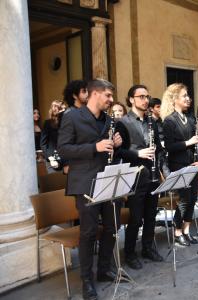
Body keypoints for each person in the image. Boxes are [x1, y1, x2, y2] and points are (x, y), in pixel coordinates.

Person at [58, 79, 122, 300]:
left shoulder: (107, 119)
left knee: (113, 224)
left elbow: (107, 148)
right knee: (88, 231)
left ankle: (104, 269)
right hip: (84, 182)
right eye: (108, 96)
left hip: (107, 179)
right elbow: (63, 149)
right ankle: (87, 280)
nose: (111, 100)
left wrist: (116, 143)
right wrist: (94, 147)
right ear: (94, 94)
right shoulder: (72, 116)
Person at [116, 84, 164, 270]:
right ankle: (129, 253)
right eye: (141, 96)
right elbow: (119, 152)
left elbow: (159, 147)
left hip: (152, 174)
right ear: (131, 99)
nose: (145, 100)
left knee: (151, 215)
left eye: (147, 96)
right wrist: (138, 154)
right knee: (136, 218)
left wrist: (156, 151)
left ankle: (147, 248)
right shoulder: (123, 122)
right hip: (135, 176)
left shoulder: (152, 121)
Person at [161, 83, 198, 246]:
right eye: (184, 95)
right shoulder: (169, 121)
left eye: (188, 95)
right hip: (178, 165)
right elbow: (169, 147)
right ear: (174, 99)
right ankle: (177, 231)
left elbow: (197, 143)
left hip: (192, 164)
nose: (188, 98)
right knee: (185, 199)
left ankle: (186, 230)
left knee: (193, 198)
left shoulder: (191, 119)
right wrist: (187, 143)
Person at [40, 100, 65, 171]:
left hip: (66, 160)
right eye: (62, 109)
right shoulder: (48, 123)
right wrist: (50, 158)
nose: (64, 111)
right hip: (53, 159)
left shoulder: (66, 123)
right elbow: (43, 144)